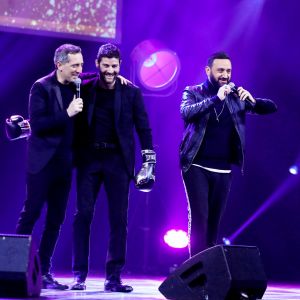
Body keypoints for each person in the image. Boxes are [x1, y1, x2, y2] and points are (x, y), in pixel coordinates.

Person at [71, 43, 156, 292]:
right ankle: (79, 275)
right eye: (105, 65)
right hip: (89, 159)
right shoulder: (84, 87)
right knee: (83, 215)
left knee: (118, 219)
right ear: (97, 65)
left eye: (114, 66)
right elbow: (75, 77)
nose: (110, 71)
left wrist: (149, 161)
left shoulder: (131, 92)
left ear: (120, 65)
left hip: (118, 161)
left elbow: (144, 127)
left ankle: (113, 277)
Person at [179, 51, 277, 257]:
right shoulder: (193, 91)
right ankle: (197, 273)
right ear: (208, 71)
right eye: (220, 70)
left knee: (214, 222)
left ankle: (209, 273)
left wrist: (253, 101)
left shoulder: (236, 97)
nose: (225, 74)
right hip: (196, 165)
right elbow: (186, 113)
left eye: (228, 71)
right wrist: (216, 98)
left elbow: (271, 108)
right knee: (200, 218)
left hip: (223, 169)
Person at [15, 44, 84, 289]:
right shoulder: (41, 87)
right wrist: (67, 113)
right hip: (42, 162)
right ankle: (14, 267)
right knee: (31, 213)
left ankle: (43, 271)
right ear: (60, 65)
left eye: (81, 64)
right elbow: (39, 125)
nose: (79, 69)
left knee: (56, 219)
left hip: (64, 163)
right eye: (75, 65)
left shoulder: (77, 86)